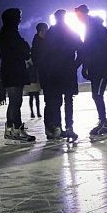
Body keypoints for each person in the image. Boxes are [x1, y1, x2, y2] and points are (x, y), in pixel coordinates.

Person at [39, 10, 83, 141]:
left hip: (54, 72)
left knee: (56, 101)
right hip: (67, 72)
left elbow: (44, 55)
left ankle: (59, 127)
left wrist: (47, 71)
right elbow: (81, 50)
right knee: (68, 100)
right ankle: (69, 127)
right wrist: (75, 65)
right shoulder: (71, 31)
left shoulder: (50, 34)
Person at [75, 4, 107, 140]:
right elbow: (86, 50)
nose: (77, 18)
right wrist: (83, 66)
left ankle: (104, 124)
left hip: (101, 67)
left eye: (78, 15)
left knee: (98, 95)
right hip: (95, 68)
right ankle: (102, 121)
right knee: (96, 95)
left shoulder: (96, 27)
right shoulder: (89, 27)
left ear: (83, 14)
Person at [0, 8, 35, 142]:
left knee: (14, 101)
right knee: (16, 101)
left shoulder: (6, 32)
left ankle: (10, 129)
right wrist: (25, 50)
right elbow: (23, 48)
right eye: (18, 17)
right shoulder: (10, 33)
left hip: (10, 70)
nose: (20, 19)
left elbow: (22, 47)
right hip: (13, 70)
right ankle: (17, 129)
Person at [26, 24, 44, 119]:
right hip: (32, 81)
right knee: (33, 98)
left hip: (34, 81)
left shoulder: (30, 62)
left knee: (34, 98)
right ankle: (34, 112)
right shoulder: (30, 62)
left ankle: (36, 112)